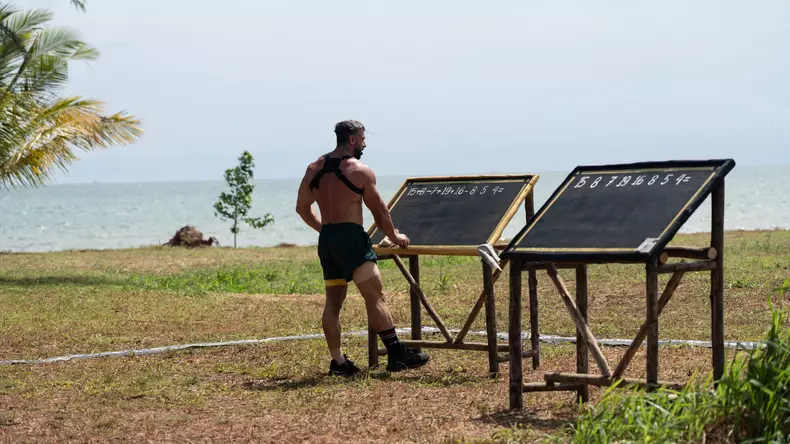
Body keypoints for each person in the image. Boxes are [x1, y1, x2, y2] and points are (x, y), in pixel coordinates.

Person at [295, 120, 430, 376]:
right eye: (363, 139)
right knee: (374, 296)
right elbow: (380, 212)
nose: (365, 144)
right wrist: (395, 236)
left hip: (328, 240)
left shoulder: (314, 168)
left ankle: (338, 362)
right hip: (351, 238)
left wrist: (326, 231)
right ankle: (396, 355)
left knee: (333, 303)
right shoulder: (360, 171)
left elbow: (302, 209)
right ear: (352, 139)